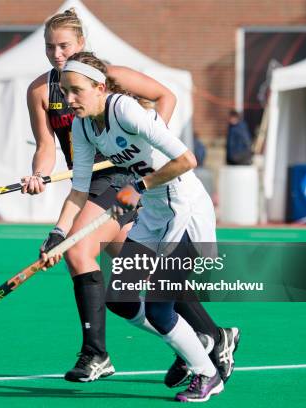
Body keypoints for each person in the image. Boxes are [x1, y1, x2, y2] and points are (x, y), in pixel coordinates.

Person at [24, 8, 239, 387]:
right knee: (123, 296)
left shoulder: (120, 100)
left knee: (154, 297)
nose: (68, 99)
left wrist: (149, 155)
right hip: (147, 203)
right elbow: (73, 182)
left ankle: (200, 370)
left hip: (174, 200)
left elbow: (183, 155)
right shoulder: (79, 121)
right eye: (49, 47)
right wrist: (58, 233)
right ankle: (210, 339)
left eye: (64, 47)